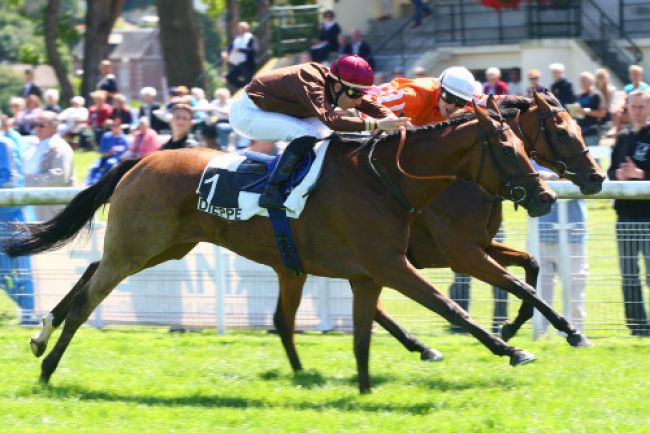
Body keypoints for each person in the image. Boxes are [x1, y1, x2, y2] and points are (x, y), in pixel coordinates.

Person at [229, 55, 410, 209]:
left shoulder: (337, 84)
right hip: (247, 113)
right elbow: (333, 122)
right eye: (356, 94)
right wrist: (377, 124)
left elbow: (367, 104)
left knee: (324, 136)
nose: (359, 100)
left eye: (363, 94)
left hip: (276, 109)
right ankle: (272, 190)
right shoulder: (311, 83)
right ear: (338, 87)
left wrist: (392, 119)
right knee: (306, 133)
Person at [607, 90, 650, 336]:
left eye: (641, 106)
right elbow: (611, 170)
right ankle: (637, 327)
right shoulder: (622, 137)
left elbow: (642, 172)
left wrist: (641, 175)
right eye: (633, 106)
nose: (636, 111)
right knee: (629, 274)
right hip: (624, 215)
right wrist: (618, 176)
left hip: (648, 215)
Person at [535, 162, 588, 335]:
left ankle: (574, 333)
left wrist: (552, 178)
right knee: (540, 289)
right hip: (540, 234)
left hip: (573, 234)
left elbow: (590, 182)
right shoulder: (532, 157)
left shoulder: (576, 152)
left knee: (574, 287)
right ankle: (539, 333)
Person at [0, 127, 36, 325]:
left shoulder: (4, 144)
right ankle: (27, 310)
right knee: (3, 273)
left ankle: (29, 315)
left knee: (20, 270)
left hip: (12, 218)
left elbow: (10, 180)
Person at [369, 66, 479, 127]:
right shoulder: (413, 97)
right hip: (362, 100)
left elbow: (492, 101)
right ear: (439, 89)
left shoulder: (465, 99)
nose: (453, 106)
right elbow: (368, 104)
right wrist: (377, 125)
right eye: (449, 97)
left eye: (460, 102)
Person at [22, 111, 74, 221]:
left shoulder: (60, 147)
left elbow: (58, 178)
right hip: (31, 204)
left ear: (54, 127)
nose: (37, 128)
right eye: (35, 124)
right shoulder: (32, 146)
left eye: (42, 125)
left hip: (51, 209)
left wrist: (23, 181)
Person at [86, 119, 128, 185]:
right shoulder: (106, 136)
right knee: (95, 165)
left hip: (116, 158)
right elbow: (102, 150)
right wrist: (109, 152)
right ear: (111, 128)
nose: (115, 128)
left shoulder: (124, 138)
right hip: (105, 156)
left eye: (117, 126)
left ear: (120, 128)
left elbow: (125, 149)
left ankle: (101, 181)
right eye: (114, 126)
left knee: (110, 163)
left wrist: (115, 150)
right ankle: (88, 182)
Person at [222, 21, 258, 91]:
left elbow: (254, 50)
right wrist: (225, 52)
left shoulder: (251, 38)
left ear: (246, 28)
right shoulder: (237, 39)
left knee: (249, 81)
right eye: (239, 28)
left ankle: (248, 88)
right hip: (238, 64)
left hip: (248, 64)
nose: (240, 29)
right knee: (230, 77)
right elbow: (229, 48)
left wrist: (240, 50)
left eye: (242, 28)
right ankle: (244, 86)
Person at [573, 71, 606, 148]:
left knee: (593, 158)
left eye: (585, 81)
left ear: (591, 82)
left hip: (591, 133)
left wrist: (586, 111)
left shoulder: (596, 95)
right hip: (579, 133)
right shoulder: (577, 95)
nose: (582, 83)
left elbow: (602, 113)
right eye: (581, 81)